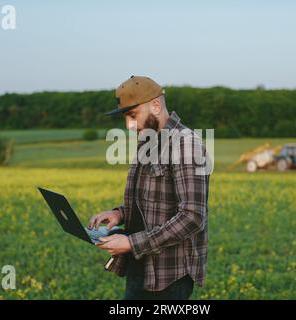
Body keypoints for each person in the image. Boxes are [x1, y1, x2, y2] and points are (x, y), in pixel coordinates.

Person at [87, 75, 210, 300]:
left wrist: (132, 243)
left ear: (155, 105)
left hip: (169, 275)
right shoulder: (149, 141)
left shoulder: (186, 145)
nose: (128, 126)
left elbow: (192, 217)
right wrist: (119, 213)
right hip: (140, 263)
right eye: (125, 117)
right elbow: (151, 200)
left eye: (133, 116)